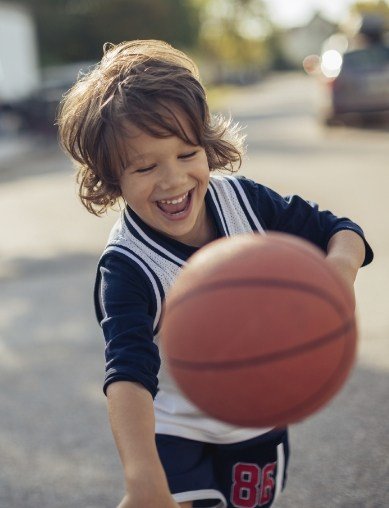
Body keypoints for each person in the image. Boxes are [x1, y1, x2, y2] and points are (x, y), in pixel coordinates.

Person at [57, 40, 373, 508]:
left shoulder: (242, 200)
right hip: (174, 426)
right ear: (111, 179)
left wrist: (335, 276)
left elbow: (342, 232)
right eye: (145, 166)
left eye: (187, 154)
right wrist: (142, 477)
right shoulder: (127, 267)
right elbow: (127, 373)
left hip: (256, 414)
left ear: (206, 146)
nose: (173, 179)